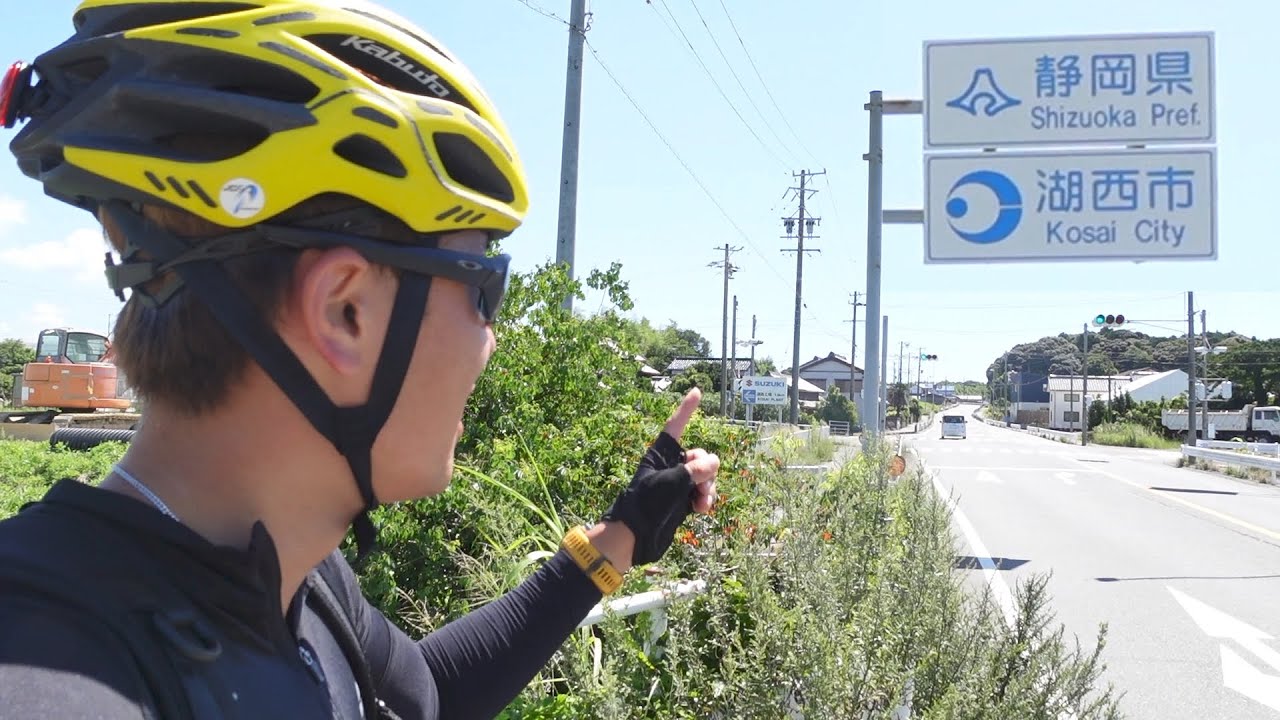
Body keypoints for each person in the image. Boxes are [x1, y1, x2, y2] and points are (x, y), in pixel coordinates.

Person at [0, 1, 720, 718]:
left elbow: (420, 697)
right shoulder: (50, 680)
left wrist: (618, 540)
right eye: (483, 288)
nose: (489, 340)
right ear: (345, 312)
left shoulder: (299, 582)